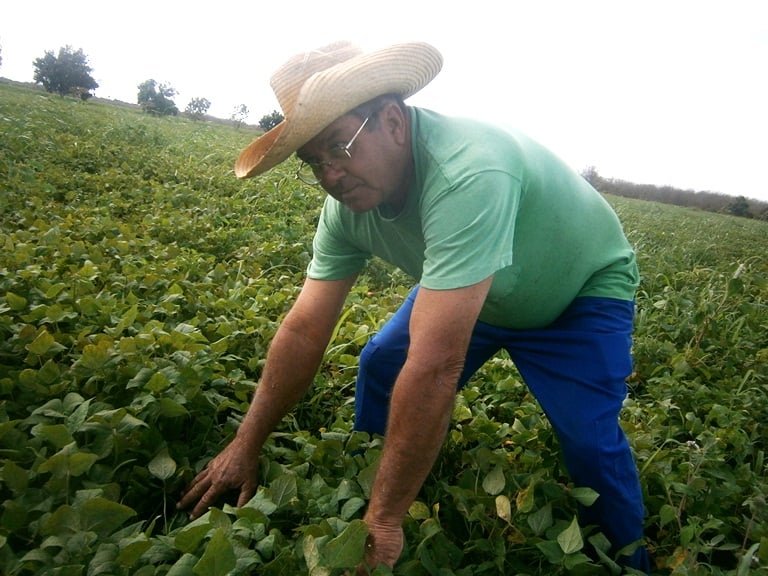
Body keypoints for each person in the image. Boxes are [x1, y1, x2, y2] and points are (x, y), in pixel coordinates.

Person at [178, 40, 651, 574]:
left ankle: (631, 561)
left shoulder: (467, 172)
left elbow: (434, 366)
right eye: (314, 161)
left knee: (589, 440)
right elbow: (305, 328)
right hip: (476, 289)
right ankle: (378, 469)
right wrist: (246, 441)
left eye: (340, 146)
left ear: (393, 122)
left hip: (578, 291)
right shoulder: (347, 209)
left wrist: (382, 521)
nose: (330, 175)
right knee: (382, 361)